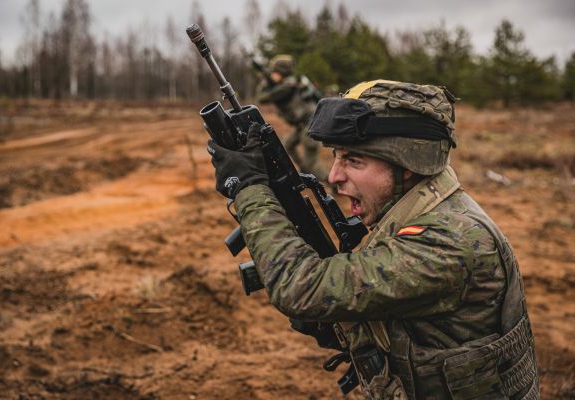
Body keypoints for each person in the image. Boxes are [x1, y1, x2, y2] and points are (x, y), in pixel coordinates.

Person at [207, 80, 539, 399]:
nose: (334, 176)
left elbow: (299, 286)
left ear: (407, 164)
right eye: (335, 156)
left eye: (354, 160)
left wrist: (250, 190)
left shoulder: (447, 242)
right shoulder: (418, 208)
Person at [256, 54, 328, 181]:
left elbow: (262, 98)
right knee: (286, 145)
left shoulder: (287, 86)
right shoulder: (290, 82)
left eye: (274, 72)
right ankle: (305, 171)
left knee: (311, 162)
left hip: (310, 125)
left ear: (282, 72)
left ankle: (333, 184)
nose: (272, 74)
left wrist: (265, 80)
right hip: (303, 125)